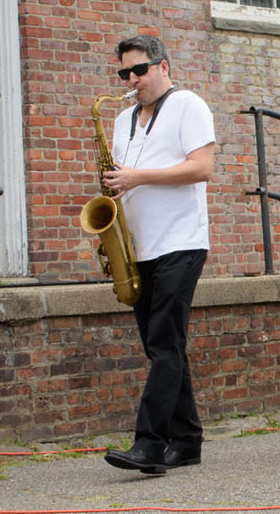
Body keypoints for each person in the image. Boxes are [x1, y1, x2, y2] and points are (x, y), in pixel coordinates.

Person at [101, 35, 217, 476]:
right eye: (123, 73)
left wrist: (137, 177)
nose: (132, 80)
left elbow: (201, 168)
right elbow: (117, 182)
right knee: (160, 346)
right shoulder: (122, 119)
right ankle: (187, 441)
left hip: (180, 242)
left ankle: (150, 444)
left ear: (163, 67)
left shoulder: (189, 105)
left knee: (165, 344)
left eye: (140, 70)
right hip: (138, 249)